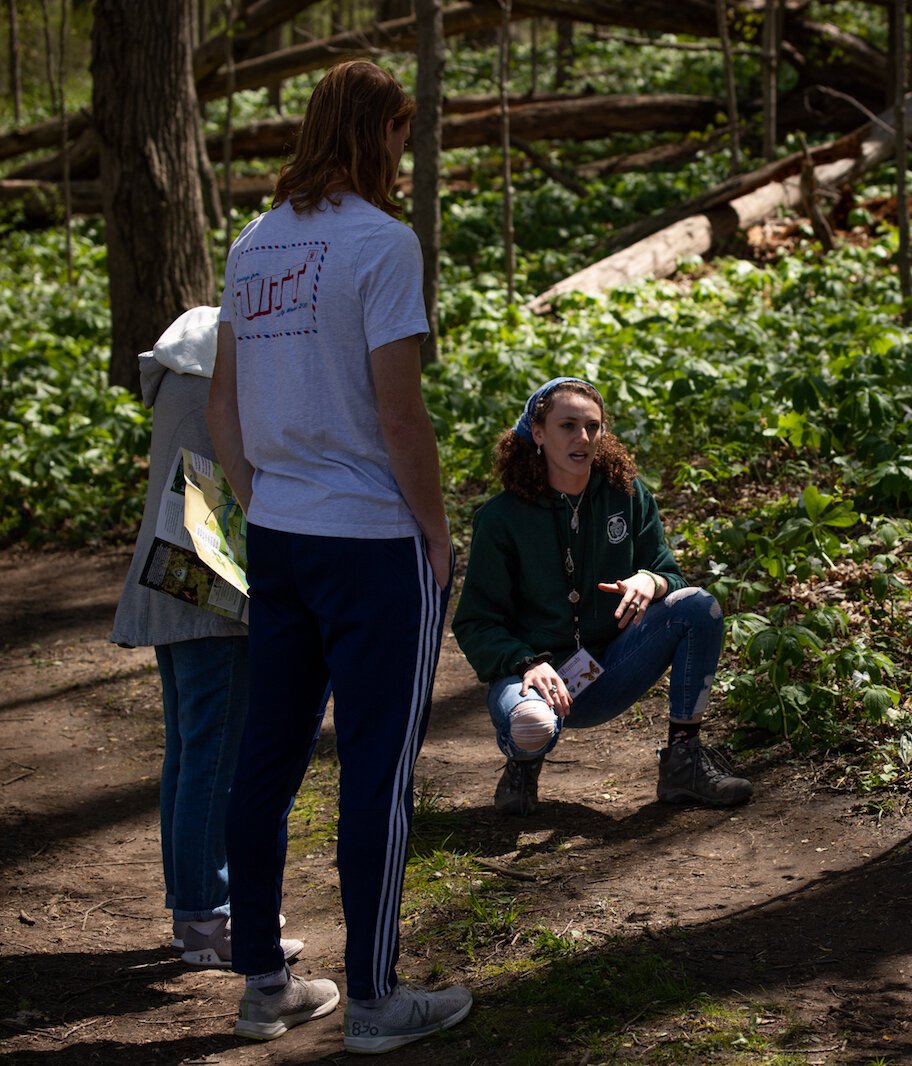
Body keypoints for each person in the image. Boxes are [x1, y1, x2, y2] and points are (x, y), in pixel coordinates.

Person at [208, 60, 470, 1053]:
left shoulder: (253, 241)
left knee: (263, 763)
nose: (404, 152)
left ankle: (265, 984)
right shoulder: (381, 243)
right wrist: (437, 536)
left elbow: (223, 398)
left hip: (279, 535)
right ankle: (372, 998)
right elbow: (400, 414)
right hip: (369, 546)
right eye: (398, 133)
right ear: (374, 135)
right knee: (376, 772)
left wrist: (257, 497)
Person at [452, 376, 753, 812]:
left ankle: (684, 762)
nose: (583, 437)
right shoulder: (501, 518)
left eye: (592, 426)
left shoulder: (626, 495)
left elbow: (671, 572)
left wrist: (652, 580)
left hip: (608, 668)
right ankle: (523, 763)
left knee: (697, 607)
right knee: (532, 725)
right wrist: (526, 662)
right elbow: (476, 621)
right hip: (533, 677)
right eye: (567, 425)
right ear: (537, 433)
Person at [110, 306, 304, 970]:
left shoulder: (184, 368)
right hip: (209, 589)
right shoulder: (220, 373)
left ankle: (199, 911)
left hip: (181, 580)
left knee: (192, 757)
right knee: (216, 761)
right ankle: (206, 921)